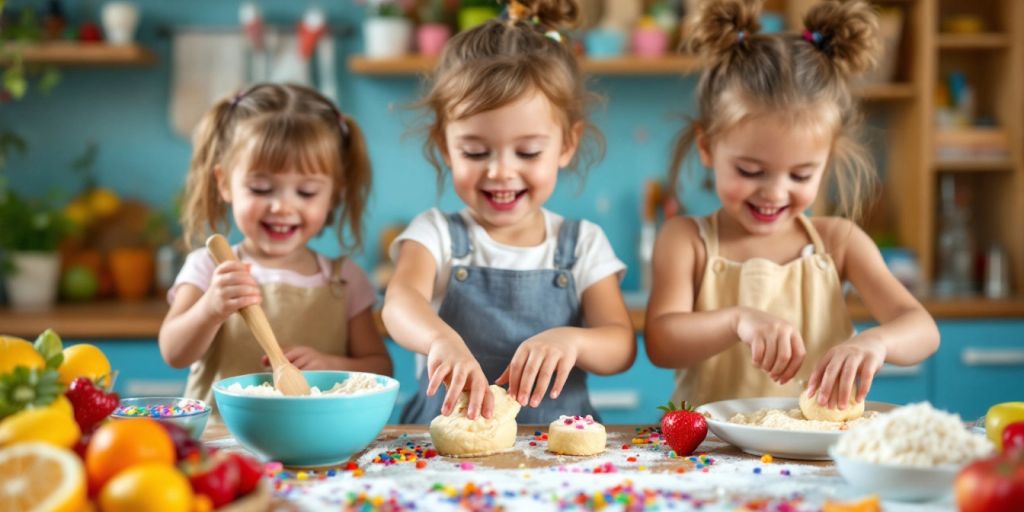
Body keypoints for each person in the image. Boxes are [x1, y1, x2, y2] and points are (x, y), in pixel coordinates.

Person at [644, 0, 939, 411]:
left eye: (800, 176)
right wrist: (737, 319)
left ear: (827, 162)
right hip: (709, 451)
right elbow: (661, 343)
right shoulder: (686, 240)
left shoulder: (839, 241)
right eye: (750, 170)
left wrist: (876, 341)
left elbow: (922, 328)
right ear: (707, 147)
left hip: (819, 451)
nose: (774, 193)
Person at [382, 0, 636, 424]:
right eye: (476, 151)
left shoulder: (583, 243)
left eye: (528, 151)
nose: (500, 171)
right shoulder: (435, 233)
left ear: (567, 145)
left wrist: (570, 341)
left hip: (555, 451)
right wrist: (439, 339)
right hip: (442, 450)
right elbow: (398, 304)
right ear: (445, 145)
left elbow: (620, 344)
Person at [159, 83, 392, 409]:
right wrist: (211, 308)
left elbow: (381, 368)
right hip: (219, 443)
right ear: (225, 183)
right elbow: (173, 352)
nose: (281, 207)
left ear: (335, 194)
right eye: (261, 188)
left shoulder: (346, 279)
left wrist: (331, 366)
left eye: (307, 192)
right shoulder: (209, 268)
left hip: (315, 445)